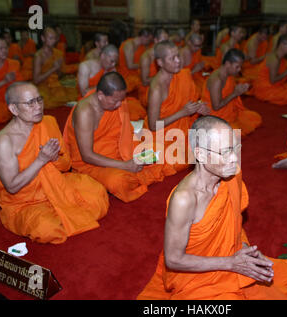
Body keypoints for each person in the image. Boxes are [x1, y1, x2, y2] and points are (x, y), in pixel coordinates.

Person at [137, 115, 287, 300]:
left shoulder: (232, 175)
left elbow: (234, 222)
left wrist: (246, 254)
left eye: (234, 149)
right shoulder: (184, 199)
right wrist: (231, 263)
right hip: (195, 275)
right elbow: (174, 259)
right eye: (224, 152)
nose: (233, 159)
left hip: (229, 257)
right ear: (199, 154)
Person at [0, 82, 109, 244]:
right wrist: (41, 160)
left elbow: (66, 164)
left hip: (56, 185)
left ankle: (64, 213)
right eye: (30, 103)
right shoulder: (4, 141)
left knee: (97, 195)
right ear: (14, 109)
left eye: (39, 100)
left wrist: (53, 158)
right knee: (48, 229)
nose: (38, 107)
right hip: (26, 201)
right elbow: (12, 186)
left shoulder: (48, 122)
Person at [63, 72, 172, 203]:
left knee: (158, 150)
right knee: (119, 182)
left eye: (122, 99)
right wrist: (125, 165)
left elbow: (124, 134)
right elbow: (87, 156)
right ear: (100, 95)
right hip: (91, 164)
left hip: (119, 151)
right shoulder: (85, 112)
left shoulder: (115, 102)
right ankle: (129, 172)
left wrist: (137, 150)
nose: (120, 104)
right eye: (115, 101)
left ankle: (132, 169)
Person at [146, 40, 210, 172]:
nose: (178, 61)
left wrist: (198, 107)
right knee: (165, 161)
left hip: (184, 126)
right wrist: (182, 112)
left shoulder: (184, 75)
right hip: (162, 135)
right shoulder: (156, 88)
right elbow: (153, 126)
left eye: (178, 56)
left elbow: (191, 100)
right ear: (160, 62)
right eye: (172, 58)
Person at [201, 49, 262, 136]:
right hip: (215, 118)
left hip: (230, 113)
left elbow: (229, 92)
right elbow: (216, 106)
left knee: (254, 117)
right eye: (237, 67)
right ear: (227, 64)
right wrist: (235, 93)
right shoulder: (217, 80)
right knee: (232, 133)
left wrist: (240, 89)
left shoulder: (229, 74)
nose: (239, 70)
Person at [77, 44, 146, 120]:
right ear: (103, 56)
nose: (113, 65)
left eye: (115, 63)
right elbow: (84, 92)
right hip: (90, 101)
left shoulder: (111, 68)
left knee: (131, 106)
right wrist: (106, 84)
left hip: (109, 100)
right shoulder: (85, 66)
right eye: (111, 61)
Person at [249, 34, 287, 106]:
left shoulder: (280, 57)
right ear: (282, 44)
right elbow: (273, 80)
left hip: (276, 85)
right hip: (265, 88)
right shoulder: (274, 59)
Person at [33, 27, 78, 109]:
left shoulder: (58, 53)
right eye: (50, 38)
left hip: (56, 84)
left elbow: (60, 75)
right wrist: (53, 68)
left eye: (54, 38)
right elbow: (36, 80)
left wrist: (58, 69)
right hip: (43, 86)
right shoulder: (38, 56)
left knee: (72, 90)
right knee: (43, 101)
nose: (53, 41)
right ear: (43, 38)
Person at [139, 28, 169, 107]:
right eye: (163, 41)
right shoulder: (146, 57)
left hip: (163, 85)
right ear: (156, 40)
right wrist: (163, 76)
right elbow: (145, 81)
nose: (166, 45)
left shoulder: (166, 54)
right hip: (148, 89)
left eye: (167, 42)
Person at [118, 28, 153, 93]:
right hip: (126, 76)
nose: (149, 42)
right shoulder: (129, 45)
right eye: (149, 40)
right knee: (145, 84)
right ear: (144, 37)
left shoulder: (142, 46)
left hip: (136, 73)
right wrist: (145, 64)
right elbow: (130, 66)